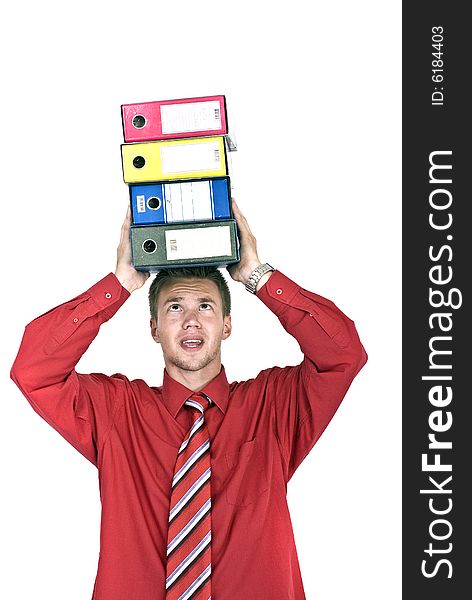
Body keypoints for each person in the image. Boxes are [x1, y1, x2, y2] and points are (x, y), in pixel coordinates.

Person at [11, 199, 367, 600]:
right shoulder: (115, 412)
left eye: (206, 307)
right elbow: (33, 370)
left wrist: (256, 275)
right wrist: (120, 283)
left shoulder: (273, 407)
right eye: (175, 307)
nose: (191, 320)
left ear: (227, 326)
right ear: (154, 328)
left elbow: (344, 354)